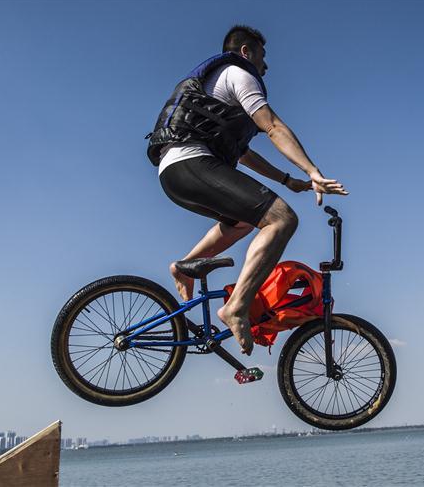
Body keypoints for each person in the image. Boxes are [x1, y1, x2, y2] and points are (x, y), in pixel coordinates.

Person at [146, 25, 347, 355]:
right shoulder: (238, 74)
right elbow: (272, 126)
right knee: (282, 219)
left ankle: (186, 265)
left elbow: (243, 153)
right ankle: (237, 306)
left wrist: (287, 180)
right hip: (191, 163)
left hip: (175, 172)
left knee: (242, 221)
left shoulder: (219, 89)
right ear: (246, 52)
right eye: (262, 57)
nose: (265, 67)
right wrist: (312, 170)